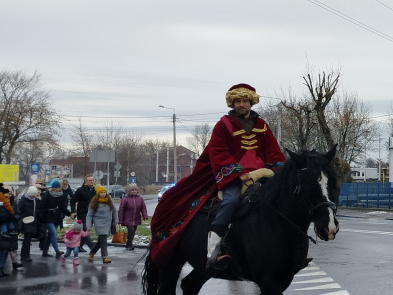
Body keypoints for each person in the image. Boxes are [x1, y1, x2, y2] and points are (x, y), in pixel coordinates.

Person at [150, 83, 286, 273]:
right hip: (236, 177)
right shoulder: (224, 125)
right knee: (231, 201)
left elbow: (274, 151)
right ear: (232, 103)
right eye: (238, 101)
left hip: (261, 175)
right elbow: (219, 153)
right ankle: (213, 251)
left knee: (284, 201)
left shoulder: (262, 125)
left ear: (251, 103)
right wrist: (239, 173)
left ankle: (288, 249)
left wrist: (274, 168)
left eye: (245, 101)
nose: (242, 105)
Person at [86, 185, 118, 264]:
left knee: (101, 241)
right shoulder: (95, 202)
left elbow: (114, 211)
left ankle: (92, 253)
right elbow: (89, 215)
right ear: (98, 193)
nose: (103, 194)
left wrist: (115, 221)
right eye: (101, 193)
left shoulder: (109, 201)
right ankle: (105, 257)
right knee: (104, 240)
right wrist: (88, 225)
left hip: (108, 223)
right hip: (99, 223)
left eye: (104, 192)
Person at [39, 179, 68, 258]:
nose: (58, 189)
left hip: (56, 217)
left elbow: (63, 208)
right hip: (48, 217)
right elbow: (41, 206)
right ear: (53, 188)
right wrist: (41, 217)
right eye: (56, 187)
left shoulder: (61, 195)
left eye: (59, 187)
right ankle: (57, 251)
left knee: (50, 235)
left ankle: (45, 251)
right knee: (53, 233)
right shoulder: (47, 195)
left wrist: (69, 214)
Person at [70, 176, 97, 252]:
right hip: (82, 213)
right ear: (85, 182)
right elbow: (72, 201)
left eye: (92, 180)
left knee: (86, 231)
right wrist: (73, 211)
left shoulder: (95, 191)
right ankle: (92, 247)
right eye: (90, 180)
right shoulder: (80, 190)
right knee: (85, 229)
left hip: (92, 214)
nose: (92, 182)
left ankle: (79, 246)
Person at [118, 185, 148, 251]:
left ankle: (128, 243)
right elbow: (121, 210)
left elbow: (143, 208)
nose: (134, 191)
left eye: (135, 190)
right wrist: (120, 220)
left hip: (136, 218)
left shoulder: (140, 199)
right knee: (131, 231)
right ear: (129, 191)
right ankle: (129, 244)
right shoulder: (125, 199)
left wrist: (145, 216)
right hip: (128, 218)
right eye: (132, 190)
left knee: (133, 232)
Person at [16, 186, 41, 264]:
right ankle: (25, 256)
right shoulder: (23, 200)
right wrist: (22, 219)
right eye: (31, 195)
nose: (32, 197)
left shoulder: (36, 201)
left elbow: (38, 211)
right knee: (27, 239)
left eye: (34, 195)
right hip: (25, 222)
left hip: (33, 222)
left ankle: (25, 255)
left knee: (28, 240)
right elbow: (19, 211)